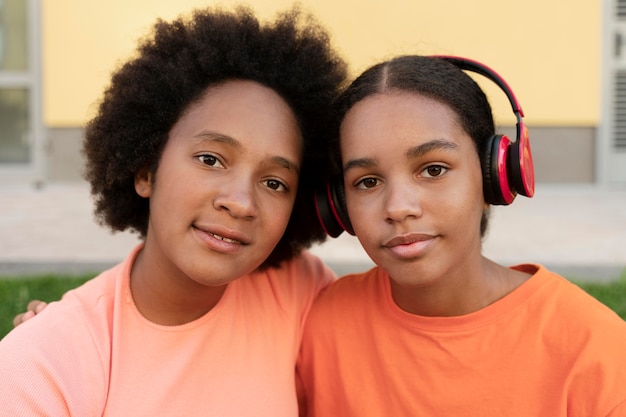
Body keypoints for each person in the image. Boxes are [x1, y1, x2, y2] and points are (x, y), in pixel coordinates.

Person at [0, 6, 346, 416]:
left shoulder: (298, 290)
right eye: (210, 159)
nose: (240, 202)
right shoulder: (43, 366)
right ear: (146, 170)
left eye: (275, 183)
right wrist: (55, 343)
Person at [297, 55, 626, 416]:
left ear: (495, 176)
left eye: (433, 169)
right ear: (339, 205)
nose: (398, 207)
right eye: (368, 181)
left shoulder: (597, 350)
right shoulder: (318, 327)